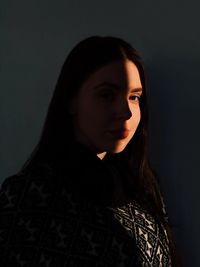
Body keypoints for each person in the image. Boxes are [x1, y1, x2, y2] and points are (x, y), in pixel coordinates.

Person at [0, 36, 181, 266]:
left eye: (134, 97)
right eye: (107, 95)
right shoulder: (28, 196)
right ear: (71, 101)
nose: (125, 112)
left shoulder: (140, 186)